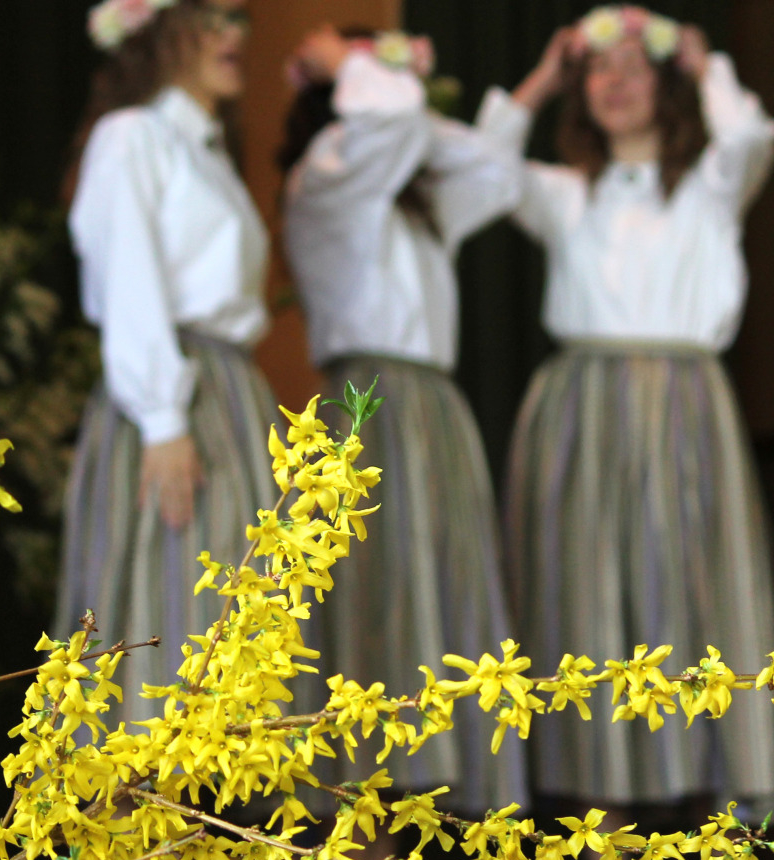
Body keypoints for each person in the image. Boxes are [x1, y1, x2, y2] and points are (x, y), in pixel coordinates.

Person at [480, 5, 774, 826]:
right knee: (585, 601)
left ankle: (715, 815)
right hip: (581, 411)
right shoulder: (564, 193)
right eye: (598, 69)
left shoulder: (707, 189)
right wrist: (541, 78)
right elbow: (484, 167)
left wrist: (704, 62)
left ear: (667, 84)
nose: (614, 83)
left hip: (684, 406)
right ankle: (600, 822)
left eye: (634, 67)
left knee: (697, 596)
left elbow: (749, 140)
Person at [277, 23, 528, 820]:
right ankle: (367, 823)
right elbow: (388, 120)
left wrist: (398, 94)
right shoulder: (324, 176)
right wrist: (349, 65)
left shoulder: (415, 202)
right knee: (374, 610)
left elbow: (497, 173)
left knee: (439, 603)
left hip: (434, 411)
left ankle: (429, 807)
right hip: (368, 409)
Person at [56, 0, 278, 727]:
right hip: (173, 392)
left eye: (238, 19)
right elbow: (128, 273)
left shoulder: (205, 149)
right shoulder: (134, 134)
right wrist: (162, 418)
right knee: (171, 601)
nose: (231, 36)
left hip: (230, 393)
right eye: (211, 17)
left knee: (239, 614)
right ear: (160, 31)